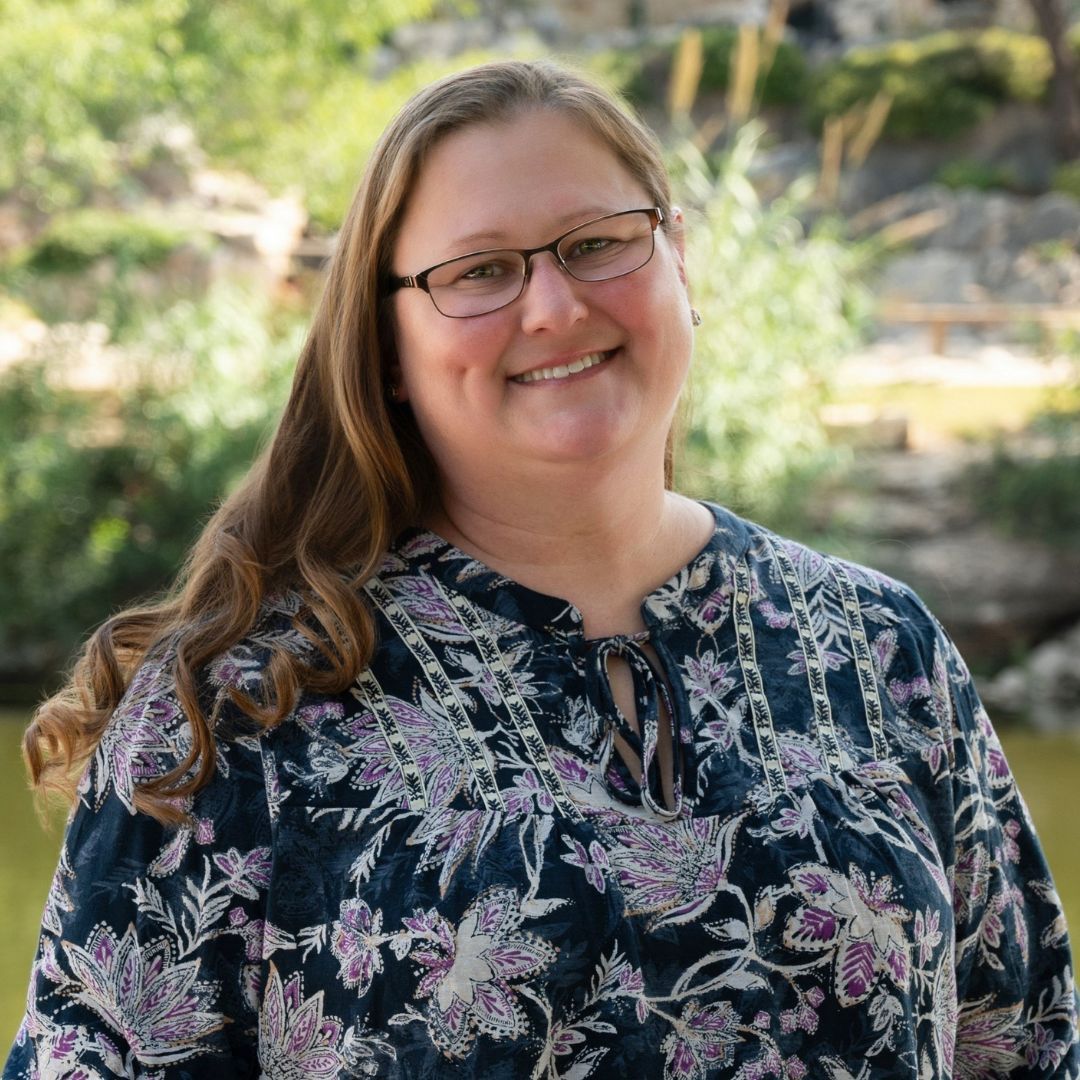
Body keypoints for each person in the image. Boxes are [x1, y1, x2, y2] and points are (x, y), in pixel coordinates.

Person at [5, 59, 1078, 1080]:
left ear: (680, 259)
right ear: (387, 345)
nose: (554, 307)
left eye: (596, 243)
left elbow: (1027, 1046)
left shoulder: (883, 650)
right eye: (480, 272)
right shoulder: (232, 716)